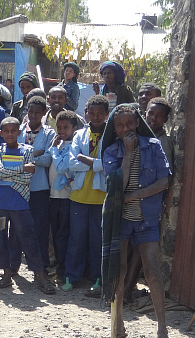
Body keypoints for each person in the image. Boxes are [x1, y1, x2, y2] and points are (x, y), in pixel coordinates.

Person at [101, 104, 172, 338]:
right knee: (118, 271)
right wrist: (129, 154)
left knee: (153, 270)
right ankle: (118, 326)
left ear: (137, 123)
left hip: (147, 218)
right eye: (119, 125)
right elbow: (116, 186)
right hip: (120, 219)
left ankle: (162, 329)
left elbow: (164, 180)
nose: (125, 129)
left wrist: (137, 195)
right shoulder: (112, 150)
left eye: (129, 124)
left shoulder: (154, 147)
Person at [0, 117, 54, 294]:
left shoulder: (27, 150)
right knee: (0, 237)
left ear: (19, 133)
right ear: (1, 133)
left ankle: (40, 275)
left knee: (28, 237)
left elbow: (28, 177)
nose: (10, 134)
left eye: (13, 131)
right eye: (6, 131)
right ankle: (6, 274)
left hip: (19, 204)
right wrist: (21, 169)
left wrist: (9, 174)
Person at [62, 95, 109, 294]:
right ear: (86, 113)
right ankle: (72, 276)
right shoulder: (80, 135)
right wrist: (96, 164)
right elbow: (71, 163)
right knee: (76, 238)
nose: (96, 117)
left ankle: (97, 278)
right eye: (92, 113)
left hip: (101, 197)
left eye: (100, 113)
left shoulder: (111, 135)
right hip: (79, 196)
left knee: (97, 240)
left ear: (107, 115)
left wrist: (88, 161)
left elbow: (110, 165)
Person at [18, 96, 56, 277]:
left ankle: (42, 265)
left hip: (39, 187)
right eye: (30, 112)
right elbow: (10, 156)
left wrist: (25, 156)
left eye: (37, 113)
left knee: (40, 228)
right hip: (18, 186)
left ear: (43, 114)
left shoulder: (49, 133)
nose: (33, 116)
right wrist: (36, 154)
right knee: (18, 227)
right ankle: (15, 264)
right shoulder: (18, 131)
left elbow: (48, 159)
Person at [48, 110, 81, 280]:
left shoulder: (73, 147)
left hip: (66, 197)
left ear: (74, 128)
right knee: (56, 232)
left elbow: (62, 168)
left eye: (65, 128)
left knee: (63, 234)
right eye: (59, 127)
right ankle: (60, 268)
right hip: (54, 196)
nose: (61, 131)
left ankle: (64, 271)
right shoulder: (59, 144)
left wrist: (53, 149)